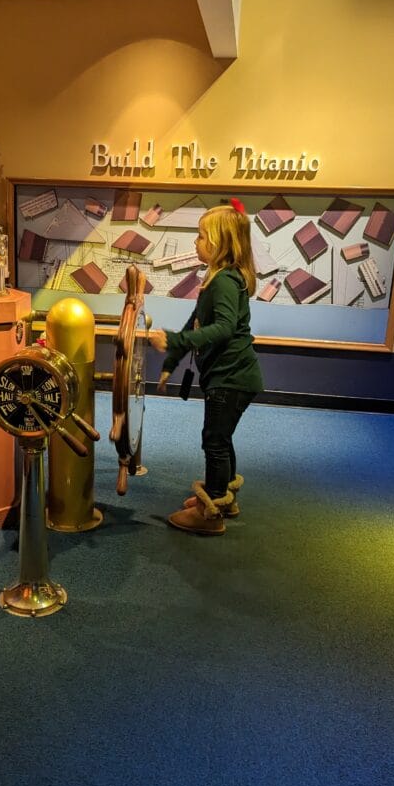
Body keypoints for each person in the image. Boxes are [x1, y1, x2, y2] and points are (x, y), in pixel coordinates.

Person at [148, 198, 263, 535]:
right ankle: (226, 496)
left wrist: (174, 342)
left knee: (214, 441)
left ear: (219, 243)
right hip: (230, 375)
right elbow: (194, 322)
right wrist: (171, 361)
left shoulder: (225, 281)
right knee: (221, 439)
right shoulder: (216, 278)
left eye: (200, 236)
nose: (195, 242)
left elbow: (225, 328)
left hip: (231, 377)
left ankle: (211, 509)